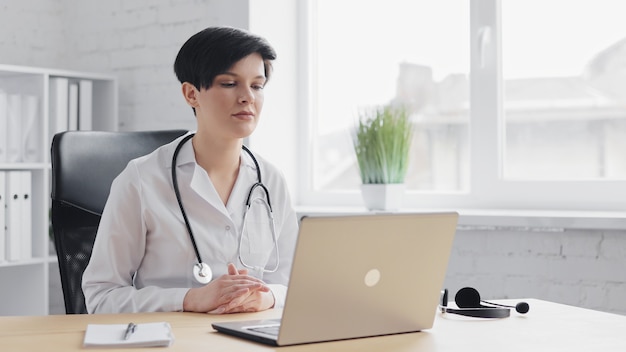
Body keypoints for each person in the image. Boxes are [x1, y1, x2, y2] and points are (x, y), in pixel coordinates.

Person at [82, 26, 299, 314]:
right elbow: (102, 297)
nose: (248, 97)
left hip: (250, 337)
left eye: (257, 85)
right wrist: (188, 300)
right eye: (229, 84)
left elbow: (293, 285)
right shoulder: (142, 180)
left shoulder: (270, 179)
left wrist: (267, 297)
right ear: (191, 94)